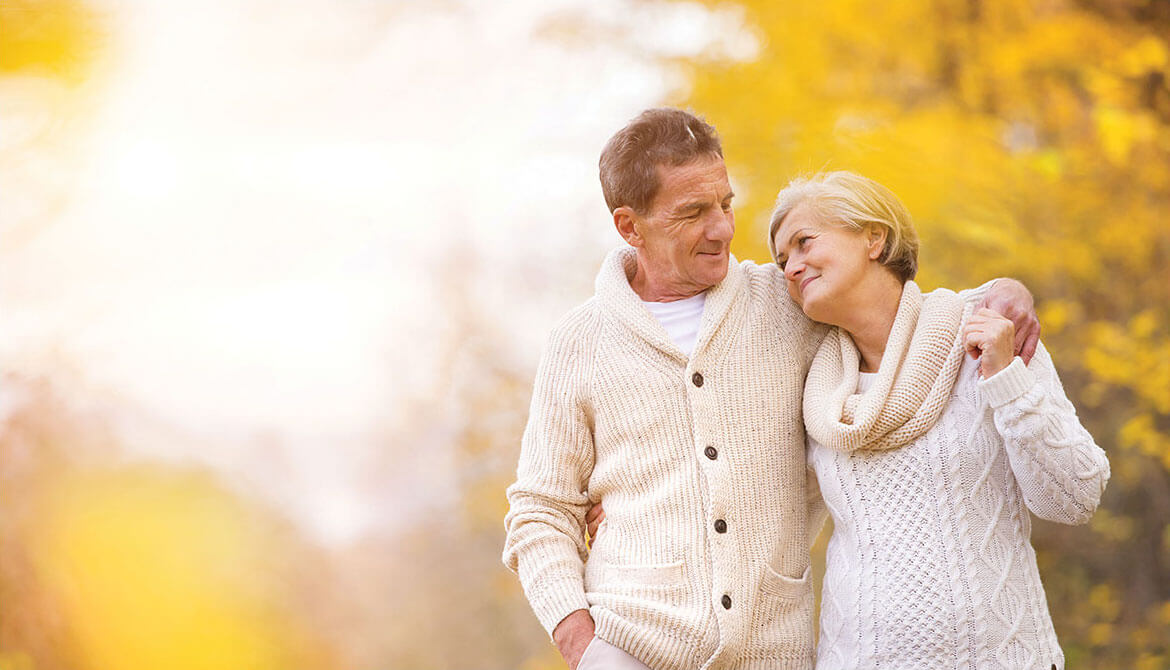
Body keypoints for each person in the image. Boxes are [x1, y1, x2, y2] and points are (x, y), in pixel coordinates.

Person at [502, 108, 1038, 670]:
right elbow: (541, 509)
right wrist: (581, 642)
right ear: (630, 226)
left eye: (725, 204)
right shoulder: (578, 342)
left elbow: (903, 313)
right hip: (630, 649)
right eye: (692, 213)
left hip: (774, 654)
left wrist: (1005, 290)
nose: (722, 229)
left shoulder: (786, 302)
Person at [768, 171, 1109, 670]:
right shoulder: (815, 392)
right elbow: (763, 516)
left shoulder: (985, 334)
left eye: (804, 242)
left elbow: (1075, 498)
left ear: (873, 237)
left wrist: (1005, 377)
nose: (792, 267)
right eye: (782, 260)